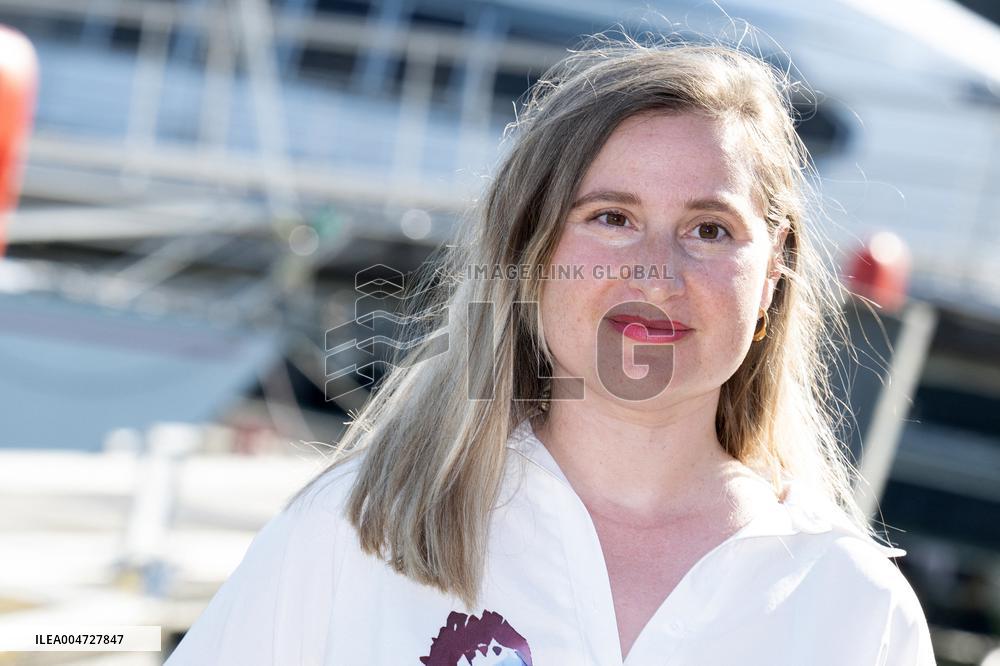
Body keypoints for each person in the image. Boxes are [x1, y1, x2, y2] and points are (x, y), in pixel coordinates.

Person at [165, 32, 937, 666]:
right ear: (529, 253)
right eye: (612, 218)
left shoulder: (852, 606)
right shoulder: (361, 531)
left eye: (710, 229)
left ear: (771, 275)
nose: (656, 274)